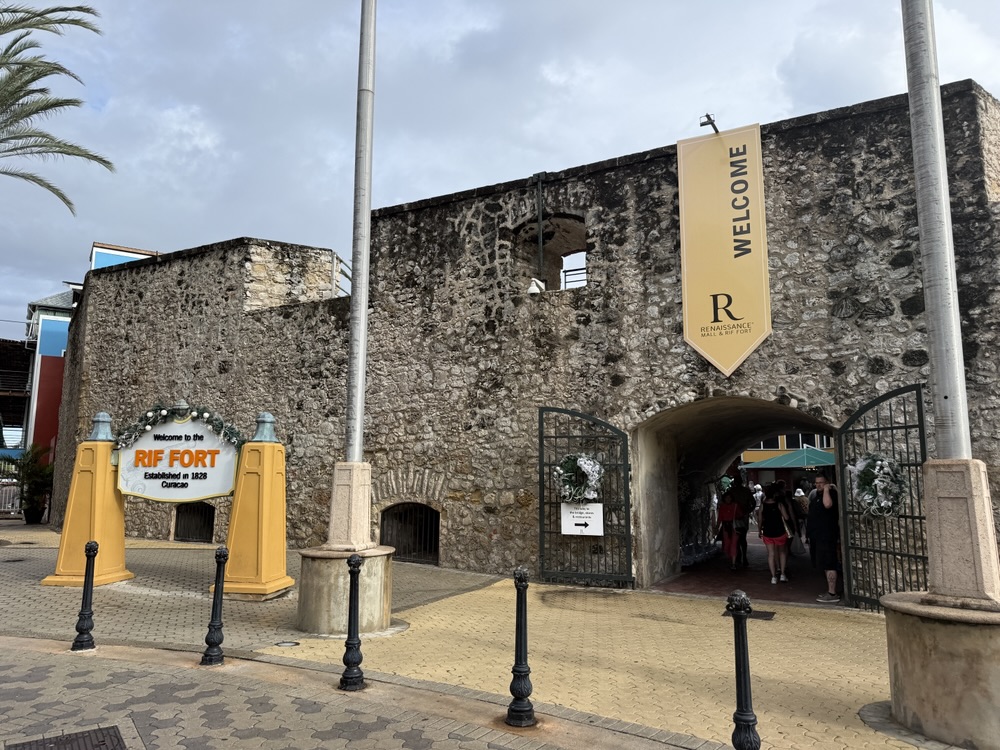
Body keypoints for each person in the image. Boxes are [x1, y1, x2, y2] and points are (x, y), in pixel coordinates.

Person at [806, 472, 841, 603]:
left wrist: (827, 489)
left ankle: (832, 593)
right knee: (824, 564)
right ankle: (830, 590)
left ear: (827, 483)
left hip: (827, 535)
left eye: (821, 483)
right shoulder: (817, 496)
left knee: (829, 563)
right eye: (816, 483)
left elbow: (827, 505)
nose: (818, 485)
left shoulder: (830, 494)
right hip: (817, 536)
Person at [756, 483, 790, 583]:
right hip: (780, 531)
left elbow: (760, 520)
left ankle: (773, 577)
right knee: (782, 552)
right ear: (775, 494)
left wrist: (759, 530)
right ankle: (782, 574)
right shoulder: (779, 504)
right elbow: (786, 517)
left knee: (771, 554)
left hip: (767, 532)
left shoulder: (763, 505)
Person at [723, 475, 756, 567]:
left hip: (734, 517)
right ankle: (743, 556)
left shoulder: (732, 491)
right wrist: (748, 511)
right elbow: (753, 503)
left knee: (735, 538)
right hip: (742, 516)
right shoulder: (745, 491)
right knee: (742, 538)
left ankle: (739, 556)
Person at [714, 490, 742, 570]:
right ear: (724, 498)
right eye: (727, 498)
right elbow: (720, 518)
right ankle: (731, 559)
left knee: (733, 544)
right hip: (725, 527)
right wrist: (717, 527)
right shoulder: (722, 506)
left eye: (729, 498)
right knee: (727, 545)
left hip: (734, 527)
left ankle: (733, 563)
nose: (728, 499)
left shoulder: (735, 505)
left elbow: (740, 515)